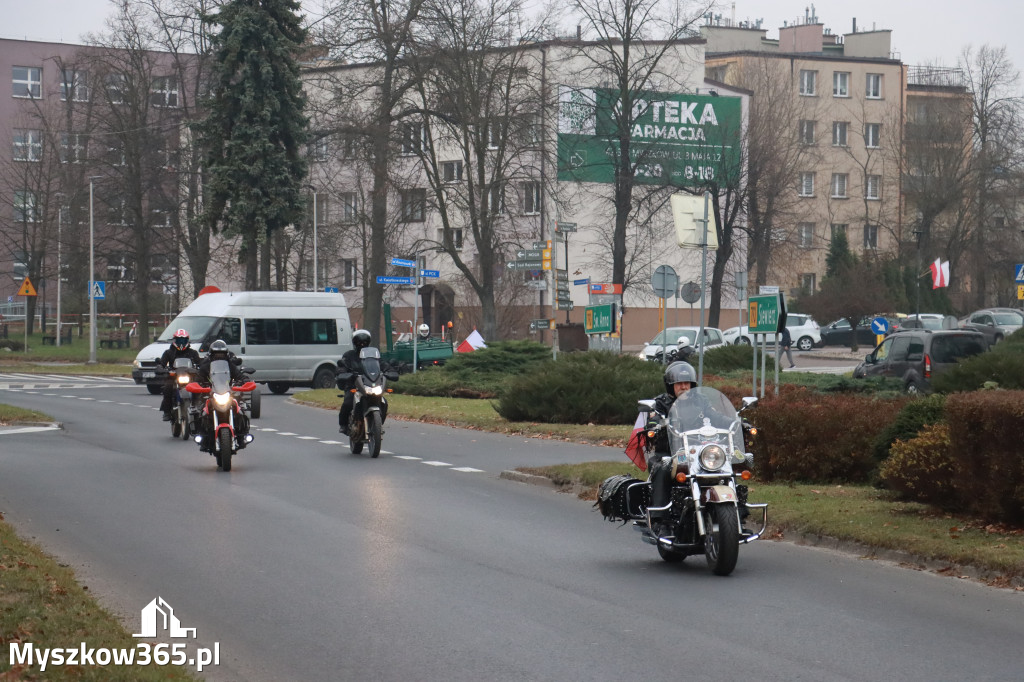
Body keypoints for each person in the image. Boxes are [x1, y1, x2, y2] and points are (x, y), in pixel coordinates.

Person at [645, 361, 698, 538]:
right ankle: (661, 521)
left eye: (687, 383)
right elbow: (653, 420)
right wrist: (654, 426)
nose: (684, 386)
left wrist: (736, 422)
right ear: (671, 385)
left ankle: (737, 512)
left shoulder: (701, 401)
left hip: (696, 452)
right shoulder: (660, 403)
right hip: (669, 453)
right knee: (663, 468)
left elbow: (716, 416)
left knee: (724, 466)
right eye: (679, 383)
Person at [196, 339, 248, 450]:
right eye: (216, 354)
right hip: (212, 393)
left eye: (222, 354)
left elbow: (239, 375)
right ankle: (203, 438)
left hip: (227, 392)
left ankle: (242, 437)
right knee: (201, 412)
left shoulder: (230, 365)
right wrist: (199, 384)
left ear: (226, 354)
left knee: (240, 410)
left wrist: (243, 380)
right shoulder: (206, 366)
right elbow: (198, 378)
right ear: (211, 354)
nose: (219, 356)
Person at [158, 329, 201, 421]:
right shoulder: (168, 352)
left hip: (189, 376)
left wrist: (201, 367)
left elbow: (200, 363)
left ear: (187, 341)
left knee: (199, 388)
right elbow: (162, 363)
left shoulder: (193, 353)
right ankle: (167, 411)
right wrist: (161, 368)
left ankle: (198, 407)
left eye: (183, 340)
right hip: (173, 377)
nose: (181, 342)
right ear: (175, 340)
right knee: (167, 388)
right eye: (179, 340)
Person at [338, 329, 372, 433]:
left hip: (370, 384)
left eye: (364, 342)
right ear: (355, 343)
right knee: (348, 402)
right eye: (359, 342)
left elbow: (381, 363)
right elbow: (342, 366)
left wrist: (389, 369)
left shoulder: (372, 354)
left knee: (383, 400)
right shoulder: (349, 355)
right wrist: (343, 372)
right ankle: (343, 424)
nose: (362, 344)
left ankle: (377, 421)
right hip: (353, 384)